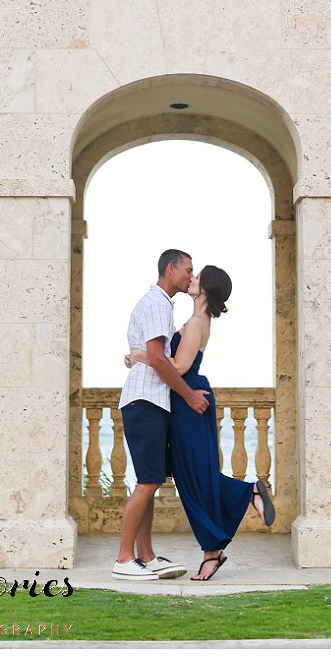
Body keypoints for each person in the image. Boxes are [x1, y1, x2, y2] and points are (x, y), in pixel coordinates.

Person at [126, 264, 276, 580]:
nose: (191, 278)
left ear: (206, 286)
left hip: (189, 400)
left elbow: (178, 368)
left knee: (194, 475)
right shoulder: (195, 320)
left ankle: (247, 495)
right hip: (185, 401)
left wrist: (140, 355)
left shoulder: (196, 322)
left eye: (196, 275)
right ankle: (213, 550)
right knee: (192, 475)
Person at [114, 249, 212, 581]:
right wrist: (187, 396)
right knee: (147, 482)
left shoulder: (159, 304)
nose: (190, 276)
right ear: (170, 269)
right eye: (187, 270)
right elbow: (158, 358)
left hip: (150, 401)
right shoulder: (157, 304)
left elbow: (150, 355)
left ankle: (146, 556)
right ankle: (125, 559)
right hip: (146, 402)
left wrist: (136, 356)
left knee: (149, 480)